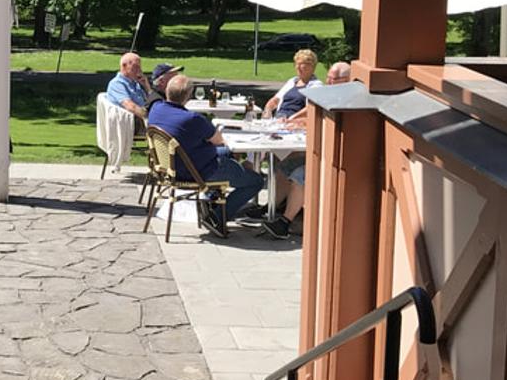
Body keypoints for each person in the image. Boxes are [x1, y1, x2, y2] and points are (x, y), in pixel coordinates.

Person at [148, 74, 265, 235]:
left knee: (229, 152)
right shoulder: (193, 119)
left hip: (171, 167)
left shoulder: (156, 109)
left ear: (167, 91)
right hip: (197, 171)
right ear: (189, 95)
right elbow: (218, 140)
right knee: (256, 181)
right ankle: (217, 217)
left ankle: (213, 200)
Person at [260, 61, 353, 238]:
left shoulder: (347, 101)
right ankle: (276, 208)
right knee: (283, 165)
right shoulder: (330, 94)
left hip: (337, 160)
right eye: (329, 77)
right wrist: (296, 121)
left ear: (347, 80)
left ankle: (284, 224)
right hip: (322, 153)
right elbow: (313, 111)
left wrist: (302, 124)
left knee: (300, 175)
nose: (330, 82)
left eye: (335, 79)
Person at [264, 49, 322, 120]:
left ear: (312, 66)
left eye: (302, 64)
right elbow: (275, 100)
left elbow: (311, 108)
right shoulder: (292, 81)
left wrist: (291, 118)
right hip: (279, 119)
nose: (298, 67)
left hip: (296, 123)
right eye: (296, 64)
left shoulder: (316, 85)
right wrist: (268, 110)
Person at [106, 52, 150, 120]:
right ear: (124, 66)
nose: (139, 70)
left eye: (140, 67)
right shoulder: (117, 84)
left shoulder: (136, 83)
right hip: (133, 123)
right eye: (136, 67)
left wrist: (147, 86)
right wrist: (150, 118)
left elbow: (150, 101)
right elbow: (131, 107)